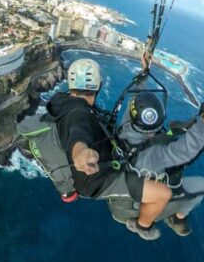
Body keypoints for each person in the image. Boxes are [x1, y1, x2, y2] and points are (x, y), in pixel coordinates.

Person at [116, 55, 204, 236]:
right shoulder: (154, 156)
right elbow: (185, 151)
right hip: (135, 206)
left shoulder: (126, 126)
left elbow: (135, 98)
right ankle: (173, 219)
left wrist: (144, 73)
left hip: (125, 185)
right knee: (201, 186)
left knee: (176, 132)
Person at [47, 58, 172, 241]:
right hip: (94, 180)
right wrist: (80, 154)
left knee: (131, 121)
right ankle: (142, 226)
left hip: (102, 155)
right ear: (99, 86)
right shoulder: (79, 114)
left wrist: (143, 75)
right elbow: (78, 133)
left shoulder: (65, 103)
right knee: (163, 194)